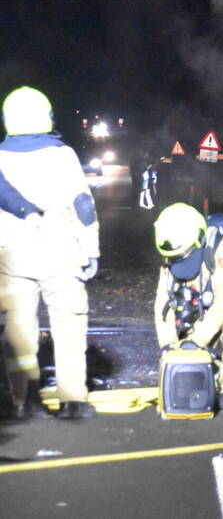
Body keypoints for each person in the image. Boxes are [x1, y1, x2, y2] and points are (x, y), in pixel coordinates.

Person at [0, 86, 100, 420]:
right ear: (48, 116)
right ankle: (72, 401)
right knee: (69, 327)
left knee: (18, 331)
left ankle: (22, 401)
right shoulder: (63, 155)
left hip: (12, 256)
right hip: (61, 253)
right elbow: (83, 205)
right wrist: (91, 250)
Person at [152, 203, 223, 410]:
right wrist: (168, 345)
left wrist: (197, 341)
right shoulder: (170, 254)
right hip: (201, 306)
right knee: (184, 355)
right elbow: (163, 301)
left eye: (185, 254)